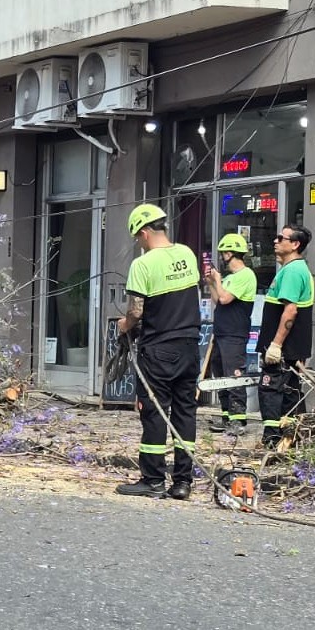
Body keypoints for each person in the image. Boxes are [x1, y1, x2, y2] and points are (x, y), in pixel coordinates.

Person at [116, 204, 201, 500]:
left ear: (144, 232)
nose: (139, 243)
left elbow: (136, 311)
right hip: (190, 345)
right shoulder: (187, 254)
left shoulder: (143, 264)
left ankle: (152, 480)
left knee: (153, 412)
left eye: (138, 238)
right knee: (185, 412)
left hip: (158, 349)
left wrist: (123, 325)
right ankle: (182, 482)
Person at [256, 224, 315, 448]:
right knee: (290, 392)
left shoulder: (292, 271)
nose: (275, 240)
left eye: (281, 237)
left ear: (295, 244)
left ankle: (273, 439)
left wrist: (275, 345)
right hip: (292, 348)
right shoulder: (295, 269)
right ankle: (292, 437)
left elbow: (290, 311)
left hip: (283, 349)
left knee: (271, 390)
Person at [202, 232, 257, 435]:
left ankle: (238, 420)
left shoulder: (245, 275)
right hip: (222, 332)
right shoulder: (232, 278)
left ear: (230, 253)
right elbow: (218, 299)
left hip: (235, 333)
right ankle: (226, 415)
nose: (222, 256)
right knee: (221, 376)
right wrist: (211, 283)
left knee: (234, 376)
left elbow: (225, 298)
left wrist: (217, 280)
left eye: (224, 252)